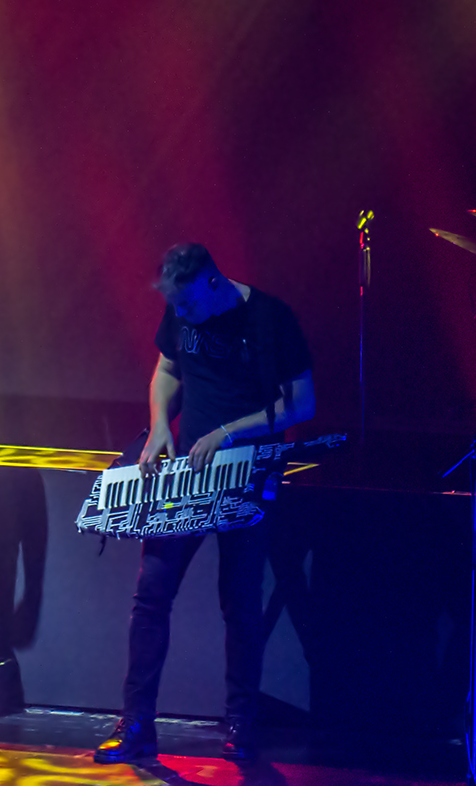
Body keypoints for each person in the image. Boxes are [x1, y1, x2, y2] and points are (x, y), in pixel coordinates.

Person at [95, 243, 315, 764]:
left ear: (214, 282)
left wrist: (230, 432)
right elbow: (167, 369)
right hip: (186, 478)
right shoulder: (181, 309)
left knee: (240, 603)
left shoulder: (270, 318)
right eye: (175, 305)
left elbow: (302, 404)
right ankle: (136, 722)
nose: (182, 313)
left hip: (246, 473)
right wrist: (158, 428)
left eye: (188, 303)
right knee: (151, 594)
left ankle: (241, 722)